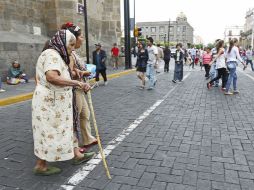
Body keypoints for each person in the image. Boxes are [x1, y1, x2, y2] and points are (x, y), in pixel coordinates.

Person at [32, 29, 94, 176]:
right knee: (47, 132)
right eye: (70, 45)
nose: (72, 49)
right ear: (62, 43)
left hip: (57, 104)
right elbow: (52, 77)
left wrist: (75, 73)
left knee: (63, 130)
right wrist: (77, 83)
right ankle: (41, 165)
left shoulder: (57, 55)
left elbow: (61, 73)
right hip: (50, 104)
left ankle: (75, 154)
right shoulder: (51, 54)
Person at [61, 22, 98, 150]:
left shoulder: (74, 52)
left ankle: (87, 139)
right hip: (75, 89)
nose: (82, 39)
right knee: (74, 118)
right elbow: (68, 73)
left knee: (84, 114)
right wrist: (83, 72)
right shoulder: (69, 54)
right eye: (81, 36)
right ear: (73, 38)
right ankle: (73, 146)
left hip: (80, 88)